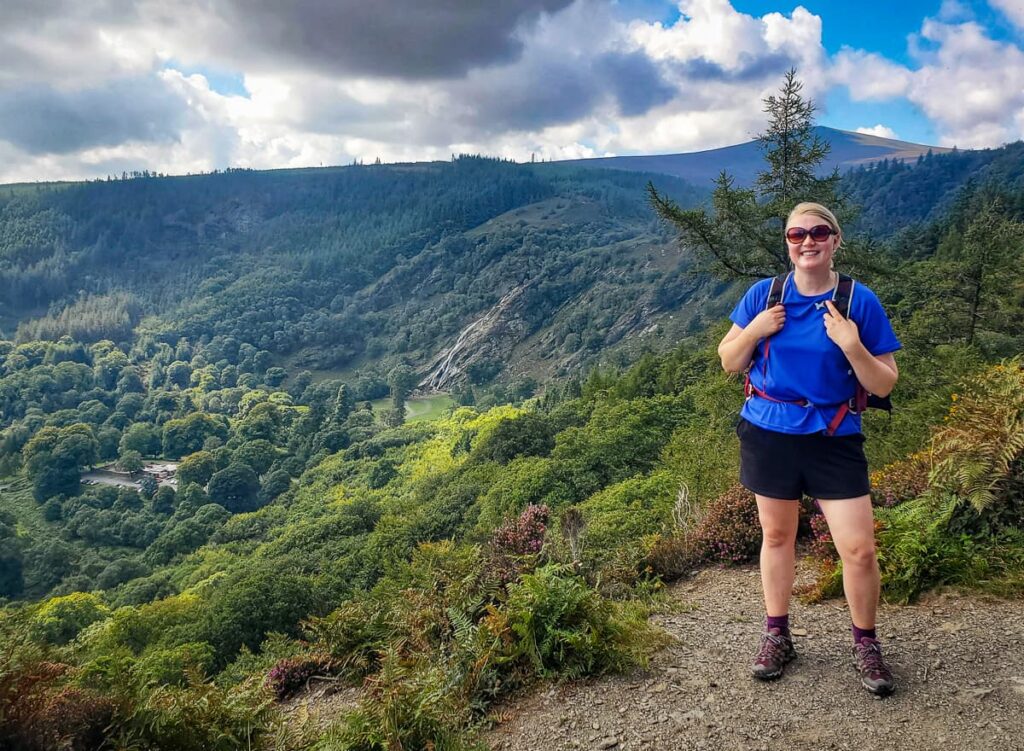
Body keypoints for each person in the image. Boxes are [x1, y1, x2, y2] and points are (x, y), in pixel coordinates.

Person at [716, 202, 901, 696]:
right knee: (776, 538)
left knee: (858, 549)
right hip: (769, 431)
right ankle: (777, 634)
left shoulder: (857, 301)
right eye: (797, 234)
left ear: (835, 240)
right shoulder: (765, 294)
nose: (807, 241)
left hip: (832, 436)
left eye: (819, 232)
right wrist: (756, 329)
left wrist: (851, 344)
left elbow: (883, 383)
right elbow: (729, 360)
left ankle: (865, 642)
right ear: (788, 242)